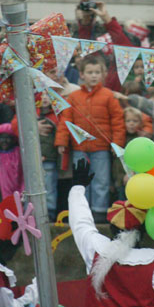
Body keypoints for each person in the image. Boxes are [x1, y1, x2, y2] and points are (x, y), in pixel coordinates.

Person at [68, 160, 154, 307]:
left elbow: (80, 221)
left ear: (111, 227)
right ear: (144, 229)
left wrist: (77, 188)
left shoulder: (95, 249)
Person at [54, 54, 125, 221]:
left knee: (101, 182)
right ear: (82, 75)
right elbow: (66, 120)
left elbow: (117, 121)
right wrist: (62, 141)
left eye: (97, 72)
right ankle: (83, 215)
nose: (93, 75)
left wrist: (117, 144)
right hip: (79, 149)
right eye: (90, 72)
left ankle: (99, 213)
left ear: (103, 74)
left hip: (101, 149)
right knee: (81, 184)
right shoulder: (74, 97)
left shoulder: (108, 96)